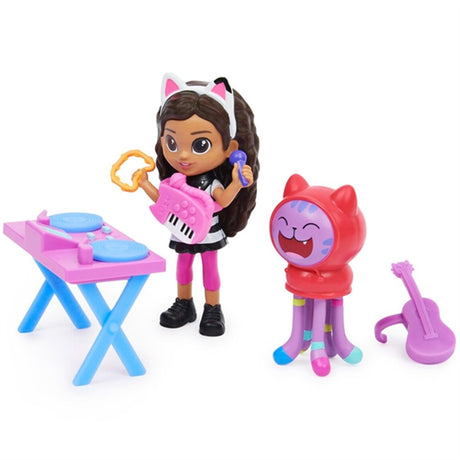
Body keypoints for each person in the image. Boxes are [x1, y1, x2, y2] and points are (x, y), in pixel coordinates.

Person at [137, 73, 259, 336]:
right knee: (183, 266)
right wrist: (145, 184)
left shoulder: (210, 182)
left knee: (209, 267)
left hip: (209, 231)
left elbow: (223, 201)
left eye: (200, 145)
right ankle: (184, 303)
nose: (183, 155)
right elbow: (164, 202)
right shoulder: (175, 179)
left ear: (230, 148)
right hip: (181, 229)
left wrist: (237, 182)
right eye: (172, 142)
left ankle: (213, 308)